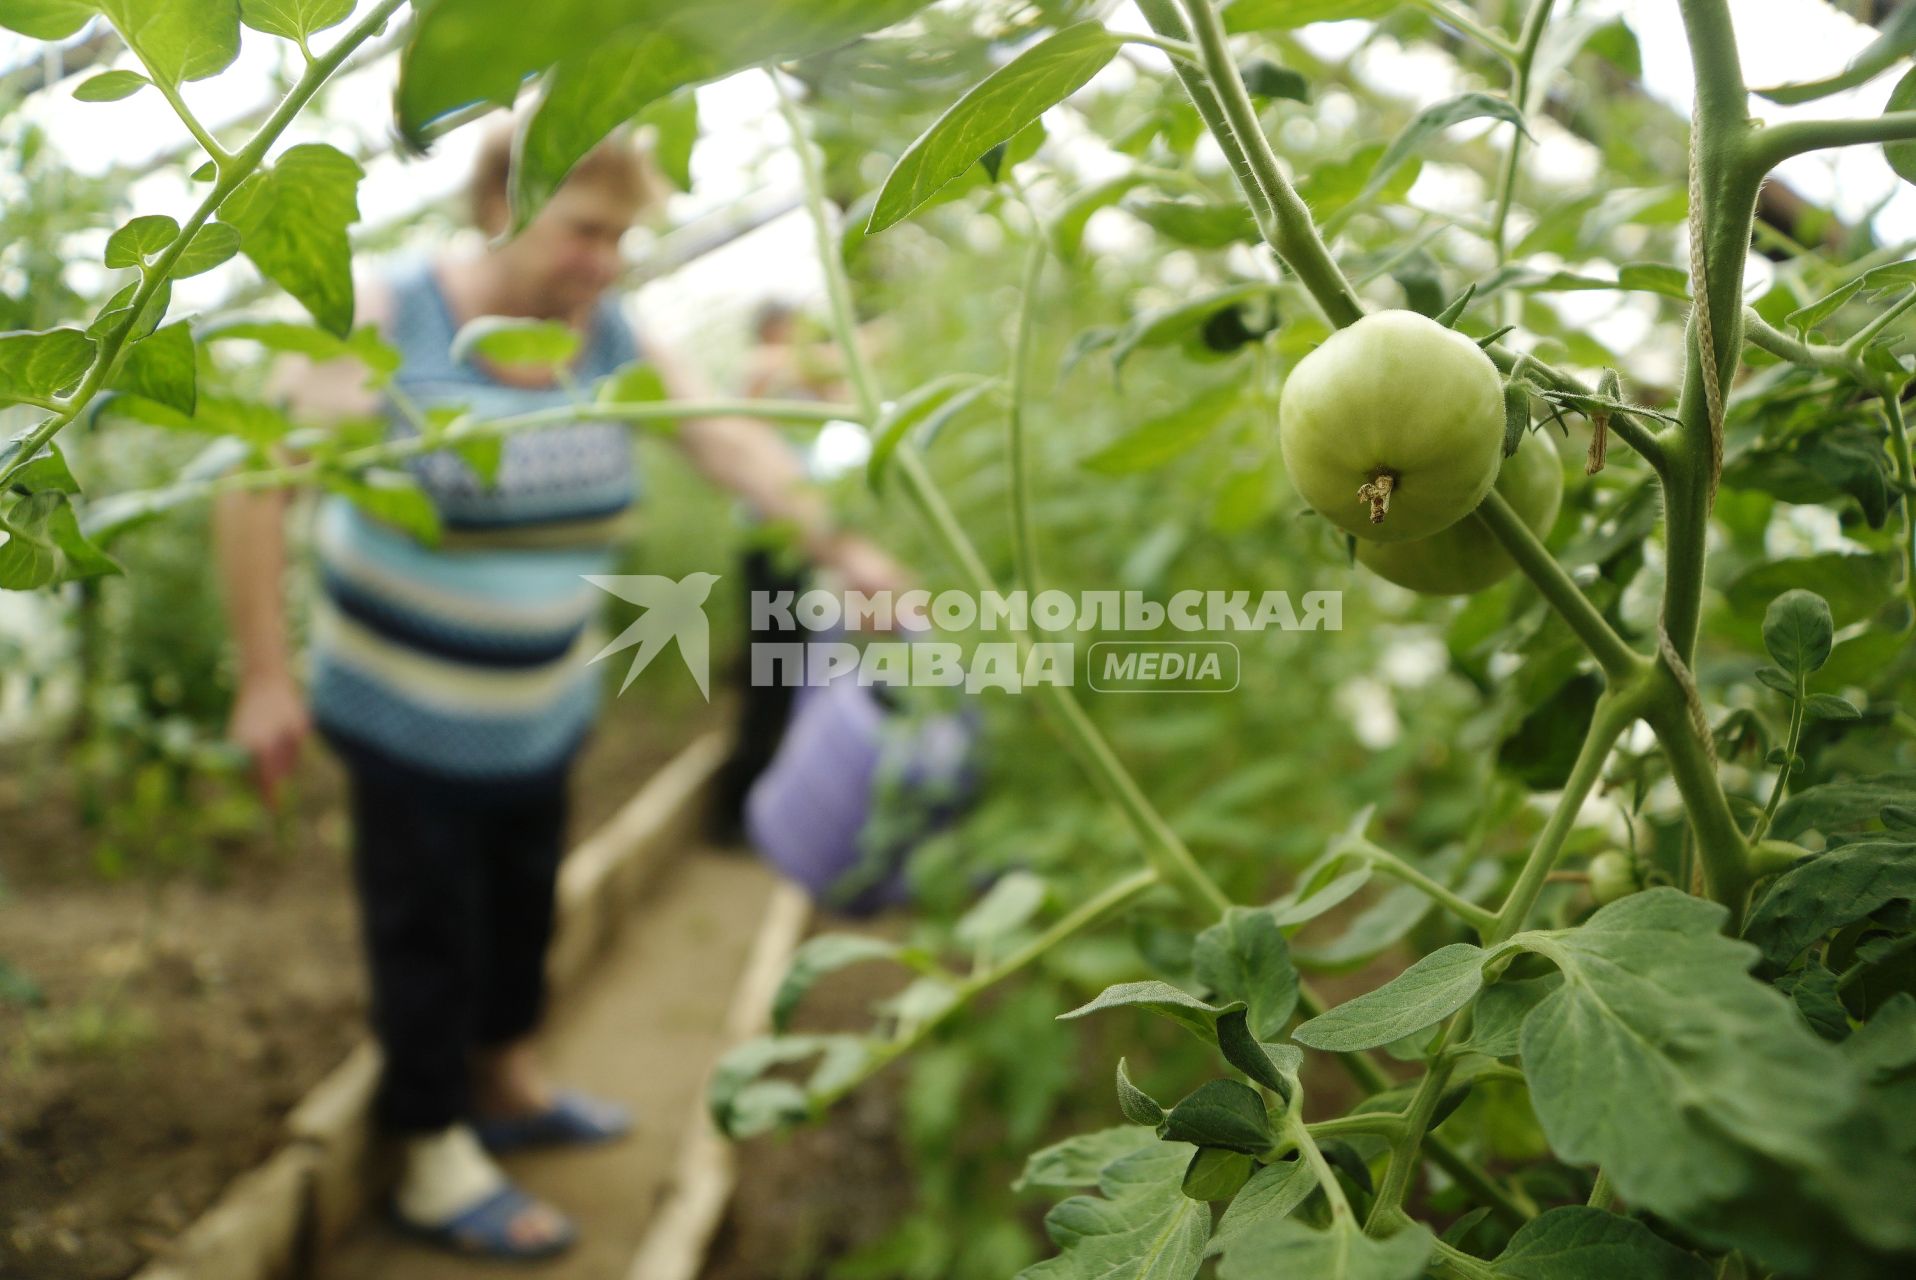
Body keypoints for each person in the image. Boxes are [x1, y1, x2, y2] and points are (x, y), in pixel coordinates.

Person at [214, 123, 903, 1259]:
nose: (604, 259)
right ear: (501, 202)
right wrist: (262, 675)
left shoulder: (612, 336)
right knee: (426, 922)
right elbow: (254, 482)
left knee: (522, 901)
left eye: (622, 236)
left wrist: (843, 547)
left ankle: (508, 1081)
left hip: (537, 710)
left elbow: (723, 443)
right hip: (405, 710)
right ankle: (430, 1150)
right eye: (584, 229)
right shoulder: (393, 318)